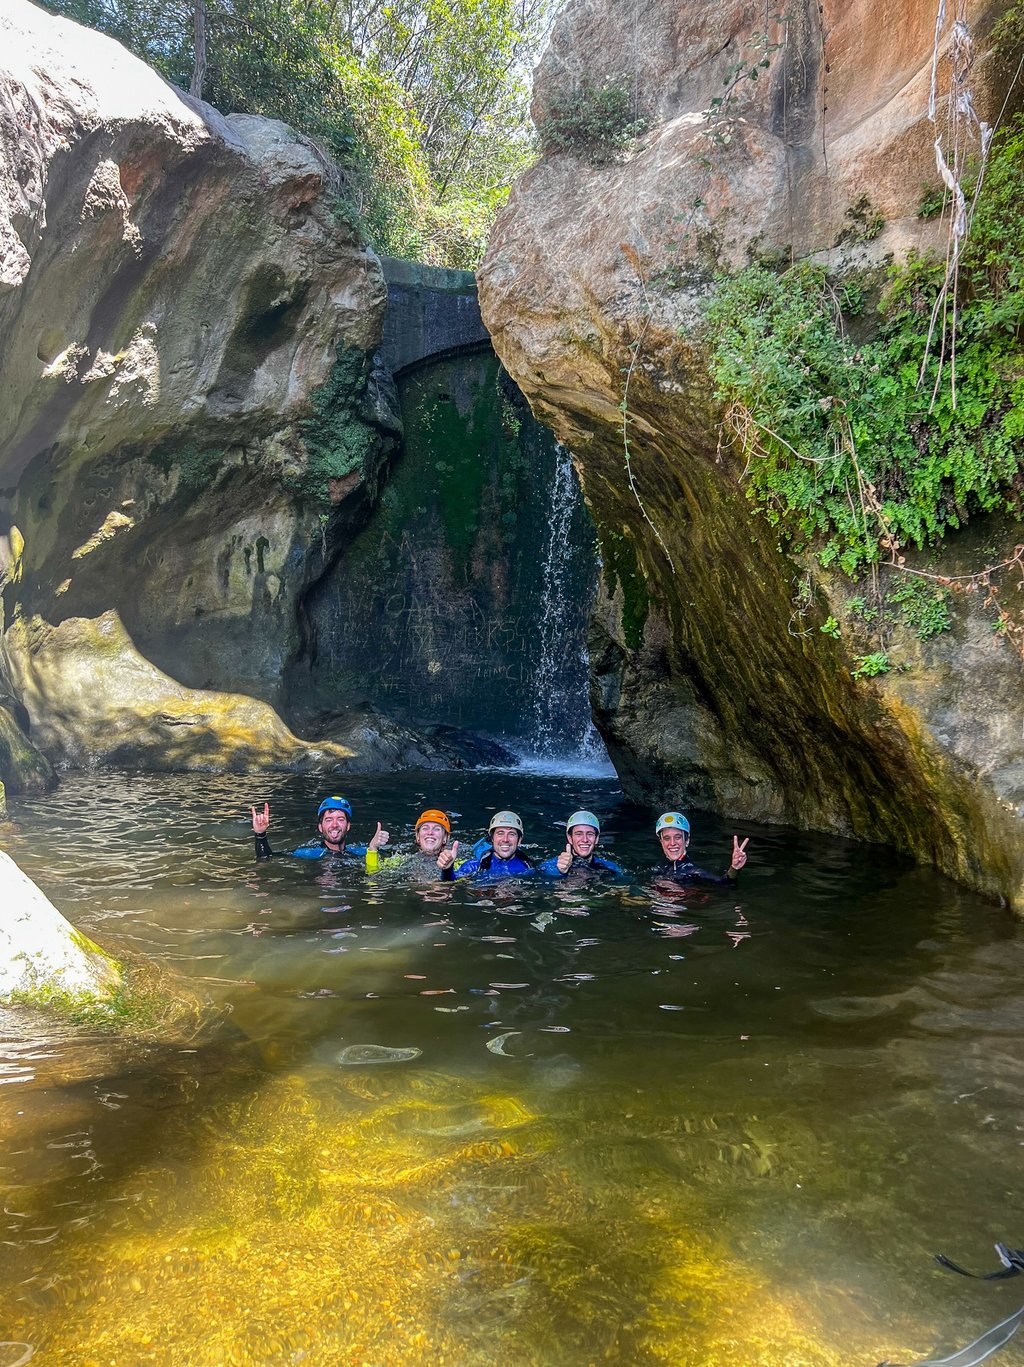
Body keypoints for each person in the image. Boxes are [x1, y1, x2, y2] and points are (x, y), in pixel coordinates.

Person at [251, 795, 389, 861]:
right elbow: (266, 859)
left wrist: (373, 848)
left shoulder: (361, 851)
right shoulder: (310, 853)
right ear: (320, 827)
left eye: (340, 819)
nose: (334, 825)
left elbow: (375, 877)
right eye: (328, 820)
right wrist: (260, 834)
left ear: (348, 826)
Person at [652, 811, 748, 885]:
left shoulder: (694, 873)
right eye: (667, 838)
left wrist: (734, 868)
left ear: (687, 840)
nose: (672, 843)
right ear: (661, 842)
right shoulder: (660, 867)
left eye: (678, 837)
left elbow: (724, 883)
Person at [439, 810, 533, 880]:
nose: (505, 839)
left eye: (511, 834)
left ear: (519, 840)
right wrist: (447, 869)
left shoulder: (529, 867)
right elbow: (450, 883)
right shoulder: (474, 866)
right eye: (500, 833)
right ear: (492, 838)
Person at [365, 808, 453, 875]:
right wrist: (373, 848)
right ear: (418, 837)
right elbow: (373, 872)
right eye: (425, 828)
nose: (430, 832)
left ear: (445, 838)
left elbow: (456, 878)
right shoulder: (404, 860)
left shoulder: (454, 862)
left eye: (436, 829)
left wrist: (448, 869)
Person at [539, 811, 624, 877]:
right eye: (578, 834)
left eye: (590, 834)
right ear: (570, 838)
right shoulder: (549, 866)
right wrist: (560, 872)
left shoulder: (610, 868)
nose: (585, 840)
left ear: (597, 839)